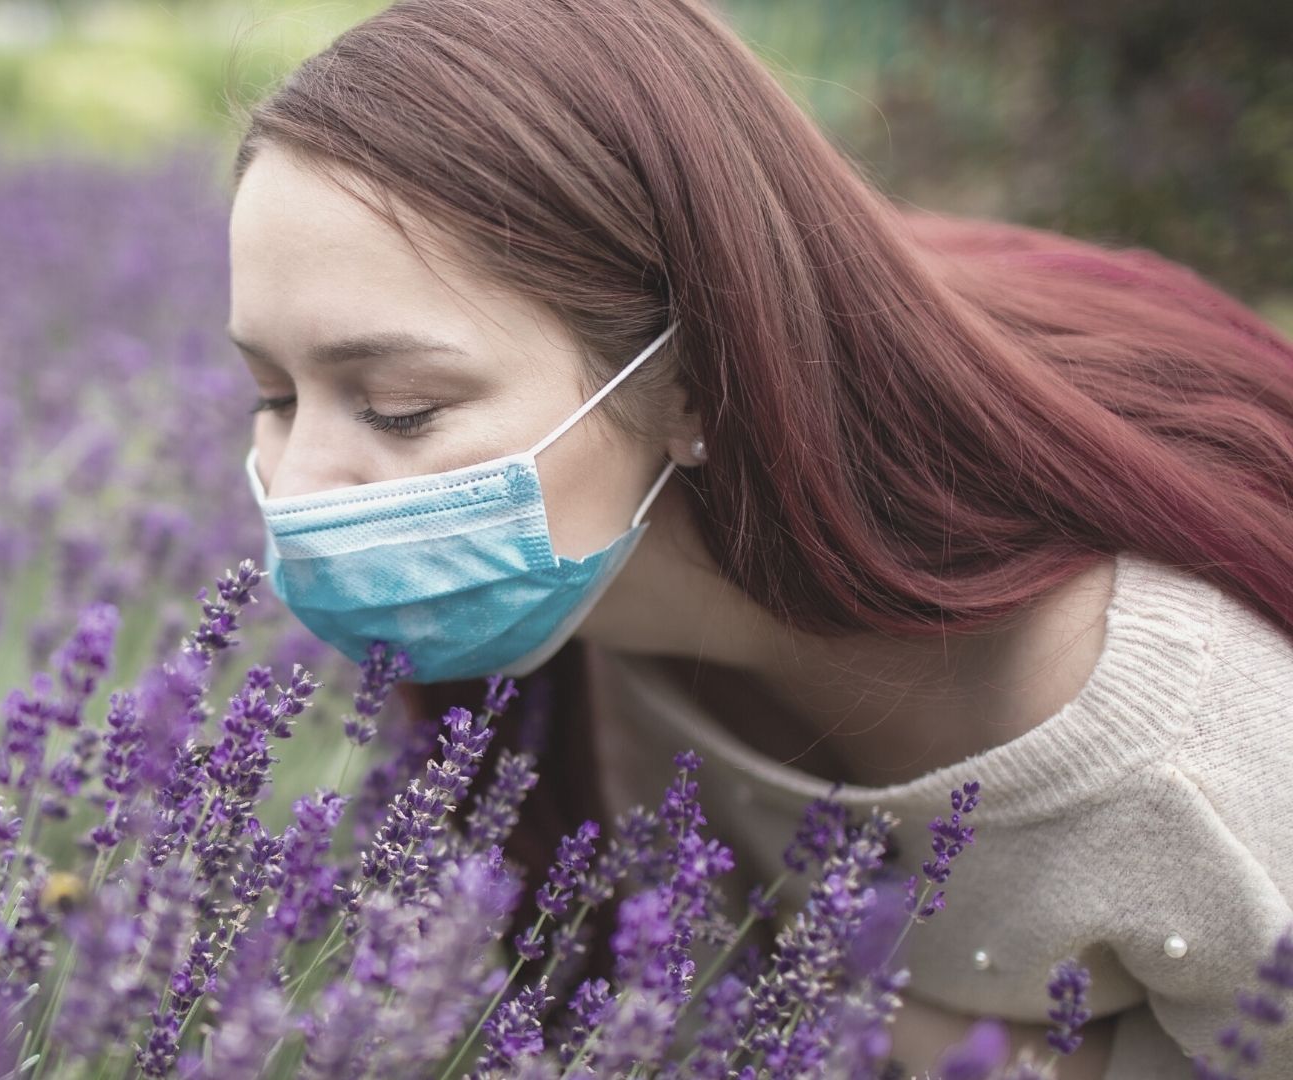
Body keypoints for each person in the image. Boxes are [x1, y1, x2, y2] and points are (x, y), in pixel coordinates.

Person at [225, 1, 1293, 1077]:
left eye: (401, 406)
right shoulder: (566, 615)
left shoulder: (1199, 767)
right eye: (272, 395)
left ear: (693, 378)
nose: (298, 486)